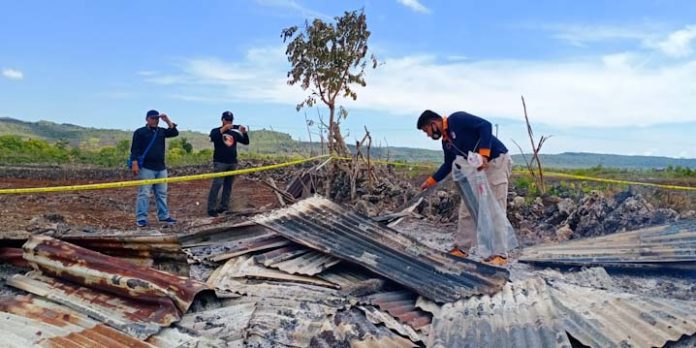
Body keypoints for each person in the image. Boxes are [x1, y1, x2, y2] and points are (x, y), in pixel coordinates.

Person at [417, 109, 512, 265]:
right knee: (467, 207)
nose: (428, 135)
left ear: (433, 123)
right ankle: (461, 249)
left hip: (495, 162)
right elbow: (448, 164)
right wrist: (430, 181)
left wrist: (484, 154)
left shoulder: (457, 119)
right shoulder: (446, 142)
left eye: (427, 131)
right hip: (478, 169)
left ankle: (500, 255)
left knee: (495, 207)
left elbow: (485, 126)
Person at [130, 109, 179, 227]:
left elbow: (174, 132)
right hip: (146, 167)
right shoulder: (140, 132)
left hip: (161, 167)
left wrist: (167, 120)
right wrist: (134, 163)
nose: (155, 120)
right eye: (153, 118)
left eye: (156, 118)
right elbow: (135, 149)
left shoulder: (161, 131)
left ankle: (164, 216)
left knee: (162, 193)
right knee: (144, 193)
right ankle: (141, 218)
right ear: (147, 119)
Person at [207, 111, 250, 217]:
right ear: (222, 120)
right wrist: (223, 130)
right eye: (227, 120)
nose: (229, 122)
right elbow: (213, 137)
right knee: (217, 184)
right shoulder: (215, 131)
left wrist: (244, 132)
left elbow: (246, 142)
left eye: (231, 120)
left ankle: (224, 206)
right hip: (220, 162)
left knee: (228, 186)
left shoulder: (234, 133)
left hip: (232, 162)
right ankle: (211, 208)